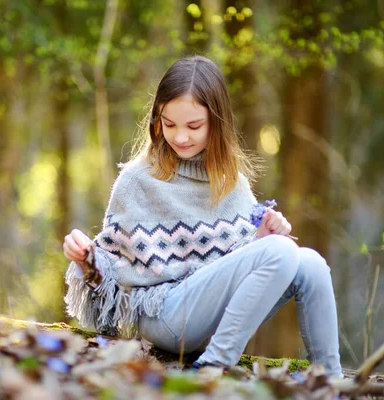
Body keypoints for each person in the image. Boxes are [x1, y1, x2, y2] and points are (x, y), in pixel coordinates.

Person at [62, 55, 342, 377]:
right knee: (282, 251)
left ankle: (330, 381)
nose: (180, 137)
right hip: (164, 316)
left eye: (194, 126)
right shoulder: (138, 180)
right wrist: (87, 257)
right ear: (157, 121)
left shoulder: (230, 182)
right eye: (169, 124)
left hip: (211, 319)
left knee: (310, 264)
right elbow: (110, 276)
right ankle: (212, 369)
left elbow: (231, 268)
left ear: (216, 122)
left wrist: (263, 238)